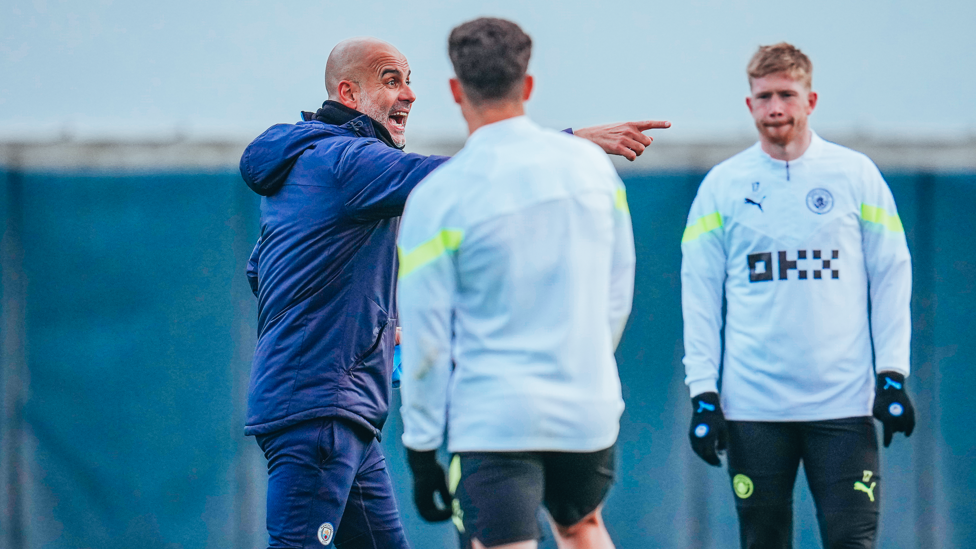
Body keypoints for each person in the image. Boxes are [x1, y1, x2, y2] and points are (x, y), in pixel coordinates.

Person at [239, 36, 666, 549]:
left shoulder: (309, 160)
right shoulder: (346, 160)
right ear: (348, 93)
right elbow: (461, 179)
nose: (409, 94)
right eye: (391, 80)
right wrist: (570, 143)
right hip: (321, 407)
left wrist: (373, 319)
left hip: (339, 404)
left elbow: (260, 271)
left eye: (410, 79)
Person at [397, 17, 643, 549]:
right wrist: (587, 361)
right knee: (582, 527)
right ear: (527, 85)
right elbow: (618, 287)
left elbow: (425, 339)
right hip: (587, 405)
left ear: (455, 91)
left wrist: (420, 450)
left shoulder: (438, 197)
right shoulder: (591, 168)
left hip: (494, 416)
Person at [680, 43, 916, 548]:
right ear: (749, 106)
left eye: (787, 94)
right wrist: (703, 394)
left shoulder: (855, 175)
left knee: (853, 542)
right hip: (753, 410)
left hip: (843, 406)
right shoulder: (722, 186)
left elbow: (892, 274)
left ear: (811, 99)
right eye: (764, 97)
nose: (776, 109)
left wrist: (892, 375)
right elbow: (698, 294)